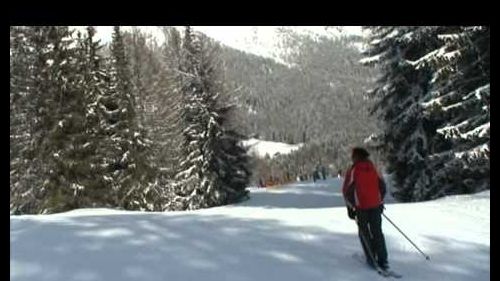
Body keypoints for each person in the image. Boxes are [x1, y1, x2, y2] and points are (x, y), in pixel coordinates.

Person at [342, 147, 389, 270]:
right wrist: (380, 201)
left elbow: (346, 190)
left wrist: (350, 207)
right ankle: (383, 260)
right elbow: (383, 186)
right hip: (375, 206)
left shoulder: (353, 170)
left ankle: (371, 258)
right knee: (377, 232)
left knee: (364, 233)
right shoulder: (374, 168)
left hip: (361, 207)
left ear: (356, 157)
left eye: (353, 156)